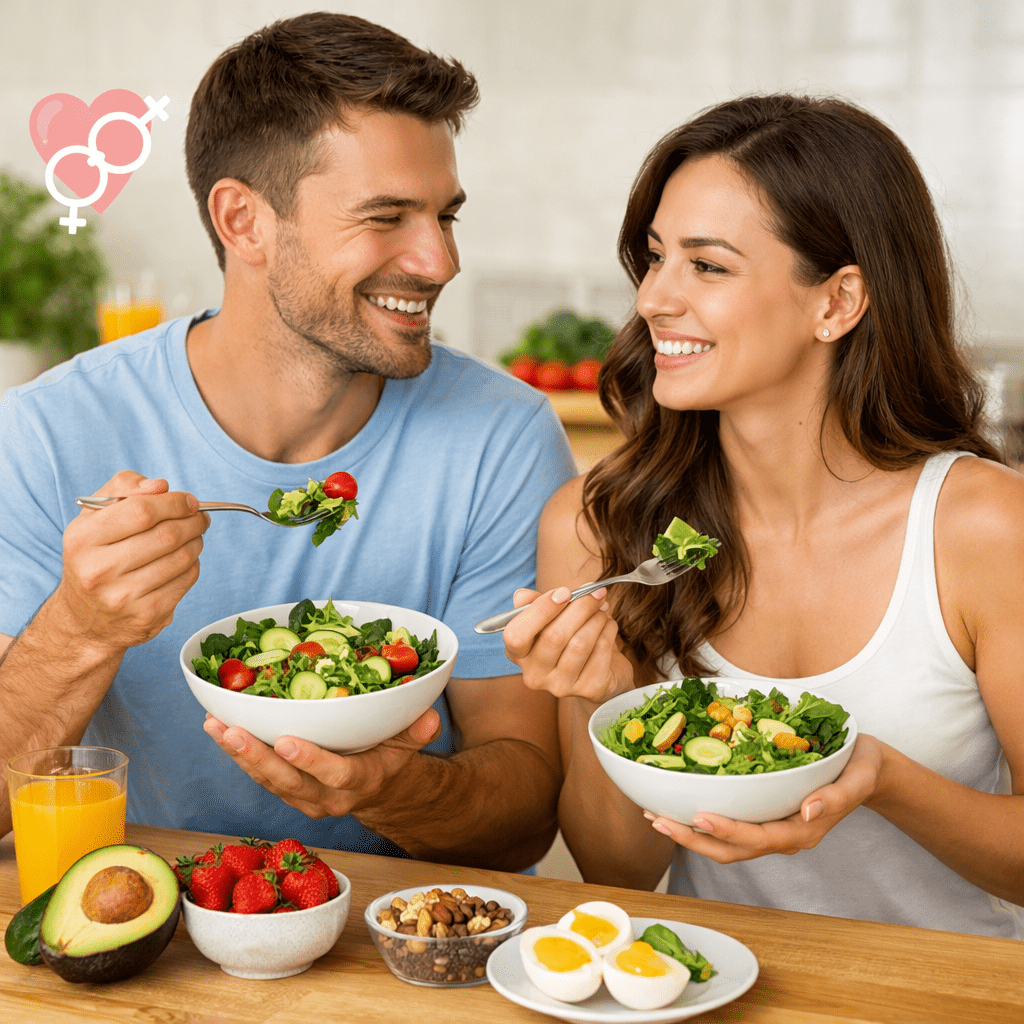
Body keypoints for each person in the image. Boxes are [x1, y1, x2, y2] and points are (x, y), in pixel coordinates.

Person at [0, 12, 576, 872]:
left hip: (407, 927)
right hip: (146, 920)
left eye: (445, 216)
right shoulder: (46, 433)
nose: (439, 261)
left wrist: (387, 790)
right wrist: (79, 630)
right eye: (387, 217)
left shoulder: (502, 437)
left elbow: (524, 816)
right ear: (244, 221)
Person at [503, 93, 1024, 937]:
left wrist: (881, 780)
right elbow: (617, 869)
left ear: (837, 302)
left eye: (707, 267)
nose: (653, 299)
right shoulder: (599, 526)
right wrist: (606, 695)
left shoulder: (986, 528)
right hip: (710, 984)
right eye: (655, 258)